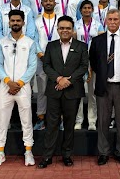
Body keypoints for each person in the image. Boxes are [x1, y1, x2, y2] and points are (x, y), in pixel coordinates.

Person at [37, 15, 89, 168]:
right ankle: (47, 156)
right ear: (58, 30)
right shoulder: (51, 46)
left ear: (72, 30)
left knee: (69, 124)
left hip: (73, 91)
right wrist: (59, 78)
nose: (65, 30)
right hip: (54, 90)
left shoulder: (82, 46)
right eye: (62, 28)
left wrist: (68, 81)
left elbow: (83, 67)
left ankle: (67, 155)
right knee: (51, 124)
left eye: (68, 28)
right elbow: (46, 66)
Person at [90, 9, 120, 166]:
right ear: (105, 21)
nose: (112, 22)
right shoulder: (97, 41)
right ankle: (103, 153)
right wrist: (105, 73)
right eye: (109, 19)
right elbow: (94, 62)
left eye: (115, 19)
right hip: (104, 86)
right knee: (103, 121)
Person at [0, 10, 37, 167]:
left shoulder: (30, 42)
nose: (15, 23)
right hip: (5, 87)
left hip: (22, 87)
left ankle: (28, 152)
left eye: (18, 20)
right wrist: (7, 81)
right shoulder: (1, 42)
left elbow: (32, 66)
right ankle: (0, 152)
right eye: (13, 20)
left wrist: (19, 83)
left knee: (26, 121)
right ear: (9, 23)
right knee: (2, 121)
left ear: (23, 22)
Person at [74, 0, 105, 130]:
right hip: (79, 62)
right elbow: (74, 43)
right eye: (84, 8)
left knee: (92, 93)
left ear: (92, 10)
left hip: (93, 61)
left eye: (89, 8)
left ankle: (92, 120)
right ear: (81, 10)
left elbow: (101, 44)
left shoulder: (98, 25)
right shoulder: (76, 25)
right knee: (79, 92)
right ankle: (78, 120)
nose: (87, 10)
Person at [32, 0, 59, 131]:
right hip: (41, 59)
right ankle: (41, 118)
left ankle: (57, 119)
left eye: (50, 0)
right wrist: (41, 54)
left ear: (55, 3)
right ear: (41, 3)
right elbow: (34, 40)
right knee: (42, 90)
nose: (48, 2)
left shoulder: (61, 19)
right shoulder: (36, 21)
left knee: (57, 89)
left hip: (58, 60)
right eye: (46, 0)